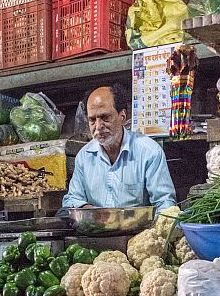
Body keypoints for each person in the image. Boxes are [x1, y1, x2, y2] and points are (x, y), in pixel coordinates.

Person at [62, 84, 177, 214]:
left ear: (122, 116)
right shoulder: (84, 157)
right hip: (96, 231)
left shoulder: (149, 152)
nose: (98, 126)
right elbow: (72, 199)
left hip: (139, 231)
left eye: (105, 118)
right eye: (92, 120)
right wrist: (91, 211)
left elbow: (164, 204)